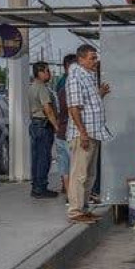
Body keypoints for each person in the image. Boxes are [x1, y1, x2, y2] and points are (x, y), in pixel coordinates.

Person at [66, 44, 111, 223]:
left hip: (94, 132)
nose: (95, 61)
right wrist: (83, 133)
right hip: (83, 135)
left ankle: (84, 208)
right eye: (92, 57)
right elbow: (74, 108)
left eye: (95, 57)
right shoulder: (75, 77)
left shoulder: (88, 76)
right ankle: (75, 211)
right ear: (81, 59)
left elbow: (88, 103)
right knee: (80, 174)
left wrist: (99, 94)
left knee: (89, 174)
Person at [28, 61, 59, 198]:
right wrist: (56, 126)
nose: (49, 73)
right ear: (39, 73)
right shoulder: (42, 88)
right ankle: (41, 188)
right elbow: (48, 109)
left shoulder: (32, 87)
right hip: (43, 125)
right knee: (44, 158)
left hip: (35, 124)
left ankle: (36, 186)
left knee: (36, 157)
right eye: (47, 71)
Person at [55, 53, 77, 197]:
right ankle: (75, 198)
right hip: (71, 132)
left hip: (60, 132)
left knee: (65, 168)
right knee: (75, 167)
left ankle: (69, 197)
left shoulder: (60, 86)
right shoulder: (72, 86)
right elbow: (74, 110)